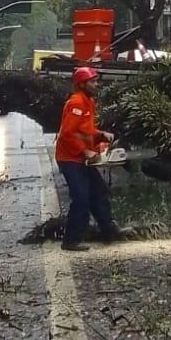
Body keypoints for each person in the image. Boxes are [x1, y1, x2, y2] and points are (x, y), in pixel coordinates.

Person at [54, 66, 121, 251]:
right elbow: (67, 134)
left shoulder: (88, 102)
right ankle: (71, 241)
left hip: (81, 158)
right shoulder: (76, 102)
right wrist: (85, 152)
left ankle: (108, 232)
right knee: (81, 197)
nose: (96, 84)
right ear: (82, 84)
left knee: (98, 193)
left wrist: (100, 135)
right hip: (70, 159)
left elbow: (85, 130)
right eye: (92, 81)